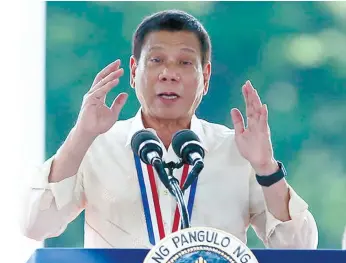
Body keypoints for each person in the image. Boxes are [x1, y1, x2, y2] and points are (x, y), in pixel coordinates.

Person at [20, 9, 318, 249]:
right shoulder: (96, 146)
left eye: (185, 62)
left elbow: (300, 248)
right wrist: (81, 135)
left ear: (206, 75)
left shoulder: (237, 151)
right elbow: (35, 225)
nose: (169, 74)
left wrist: (266, 167)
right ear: (135, 71)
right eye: (156, 60)